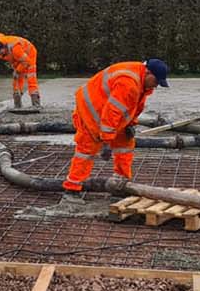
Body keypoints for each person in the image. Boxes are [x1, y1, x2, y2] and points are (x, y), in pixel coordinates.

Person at [62, 59, 169, 203]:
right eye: (156, 81)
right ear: (148, 72)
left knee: (125, 145)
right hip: (91, 113)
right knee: (86, 151)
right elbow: (112, 112)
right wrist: (106, 141)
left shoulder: (142, 81)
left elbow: (133, 105)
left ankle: (121, 183)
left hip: (108, 114)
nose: (156, 86)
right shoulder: (128, 83)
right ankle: (71, 190)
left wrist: (131, 124)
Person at [0, 33, 41, 109]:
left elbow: (26, 61)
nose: (2, 55)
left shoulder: (15, 48)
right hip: (18, 58)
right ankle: (17, 104)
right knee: (16, 78)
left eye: (3, 52)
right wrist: (16, 71)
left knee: (31, 77)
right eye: (0, 53)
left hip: (29, 55)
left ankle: (36, 104)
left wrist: (18, 70)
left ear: (5, 47)